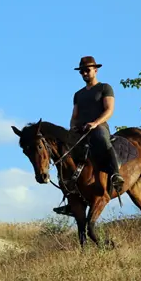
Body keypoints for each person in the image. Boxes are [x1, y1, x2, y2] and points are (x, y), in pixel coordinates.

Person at [53, 56, 125, 217]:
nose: (84, 73)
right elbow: (75, 115)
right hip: (81, 130)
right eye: (82, 71)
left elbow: (109, 110)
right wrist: (73, 127)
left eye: (87, 70)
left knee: (101, 138)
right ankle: (70, 198)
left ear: (95, 70)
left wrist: (95, 123)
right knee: (64, 153)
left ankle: (115, 175)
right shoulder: (78, 94)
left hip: (99, 127)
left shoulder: (105, 88)